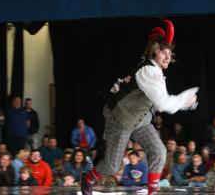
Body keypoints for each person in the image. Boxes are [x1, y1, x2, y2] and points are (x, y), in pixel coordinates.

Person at [81, 19, 198, 195]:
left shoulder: (155, 71)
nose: (168, 56)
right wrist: (184, 100)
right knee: (112, 166)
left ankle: (152, 192)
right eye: (163, 52)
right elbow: (163, 103)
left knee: (159, 151)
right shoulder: (149, 71)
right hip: (121, 119)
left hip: (141, 119)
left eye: (170, 53)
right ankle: (88, 178)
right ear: (154, 52)